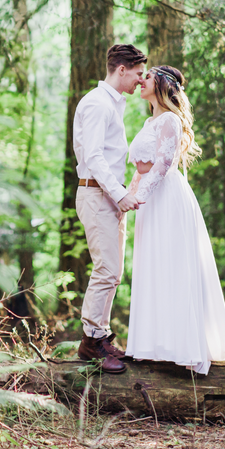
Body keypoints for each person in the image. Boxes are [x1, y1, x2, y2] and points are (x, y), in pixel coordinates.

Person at [125, 65, 225, 374]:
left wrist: (140, 196)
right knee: (153, 265)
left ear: (162, 84)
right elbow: (141, 169)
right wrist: (126, 197)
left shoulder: (170, 120)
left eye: (147, 77)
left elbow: (163, 164)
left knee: (173, 265)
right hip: (149, 201)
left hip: (166, 197)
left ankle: (184, 347)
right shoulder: (149, 121)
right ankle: (155, 345)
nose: (141, 81)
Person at [72, 43, 147, 373]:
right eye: (138, 73)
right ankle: (91, 343)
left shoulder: (113, 104)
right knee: (106, 270)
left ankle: (100, 336)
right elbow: (93, 157)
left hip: (110, 197)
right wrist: (119, 194)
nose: (141, 80)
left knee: (113, 273)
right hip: (96, 195)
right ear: (121, 70)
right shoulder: (97, 104)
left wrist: (123, 192)